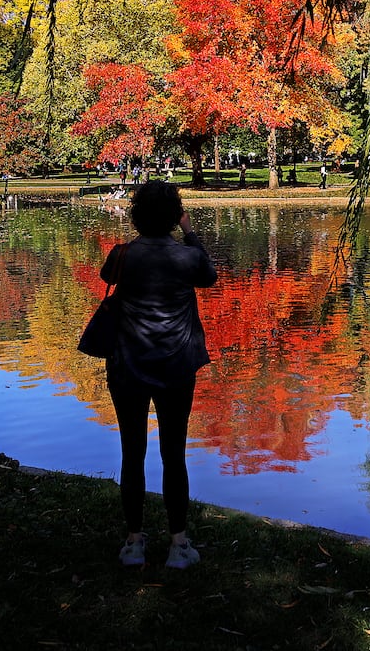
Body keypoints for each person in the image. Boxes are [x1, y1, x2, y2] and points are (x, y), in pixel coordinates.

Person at [100, 181, 218, 570]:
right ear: (174, 215)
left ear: (135, 216)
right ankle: (178, 544)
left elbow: (105, 277)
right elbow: (209, 276)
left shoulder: (121, 255)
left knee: (132, 453)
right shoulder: (188, 257)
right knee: (174, 454)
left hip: (127, 366)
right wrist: (190, 231)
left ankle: (134, 542)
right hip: (176, 366)